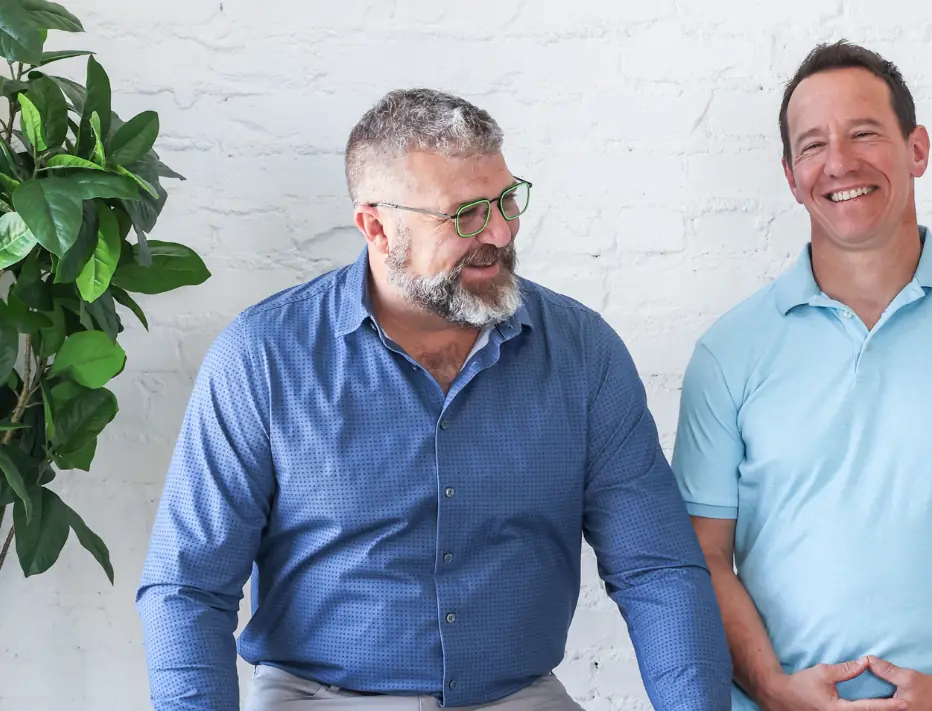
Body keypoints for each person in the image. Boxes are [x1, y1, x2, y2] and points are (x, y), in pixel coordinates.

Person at [136, 88, 733, 711]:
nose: (499, 232)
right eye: (466, 213)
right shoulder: (262, 357)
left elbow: (656, 568)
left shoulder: (582, 353)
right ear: (375, 225)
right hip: (318, 697)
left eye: (506, 200)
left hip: (518, 695)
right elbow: (187, 587)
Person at [671, 41, 932, 711]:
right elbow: (701, 556)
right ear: (788, 174)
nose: (838, 162)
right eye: (812, 145)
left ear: (916, 148)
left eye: (863, 132)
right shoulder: (728, 353)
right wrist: (773, 690)